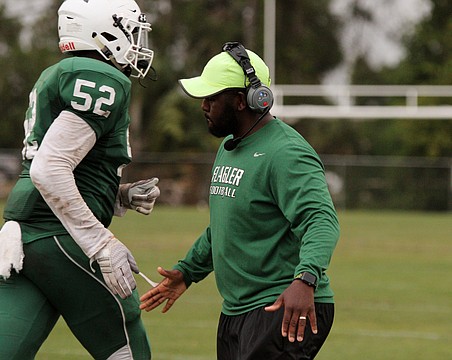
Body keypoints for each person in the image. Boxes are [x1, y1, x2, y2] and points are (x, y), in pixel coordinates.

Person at [140, 42, 340, 359]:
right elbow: (224, 225)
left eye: (211, 98)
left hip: (283, 304)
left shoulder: (286, 152)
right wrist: (187, 272)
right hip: (237, 310)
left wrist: (306, 280)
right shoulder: (230, 147)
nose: (203, 106)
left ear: (242, 100)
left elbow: (321, 220)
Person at [0, 0, 160, 359]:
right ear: (104, 31)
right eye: (131, 30)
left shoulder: (61, 71)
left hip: (23, 235)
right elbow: (49, 169)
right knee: (127, 335)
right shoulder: (99, 76)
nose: (136, 41)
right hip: (60, 237)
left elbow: (58, 165)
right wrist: (101, 244)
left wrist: (116, 195)